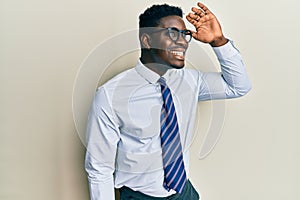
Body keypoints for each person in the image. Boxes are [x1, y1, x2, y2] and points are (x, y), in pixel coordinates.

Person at [85, 2, 251, 200]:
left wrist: (218, 41)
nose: (182, 41)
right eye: (172, 33)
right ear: (147, 40)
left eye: (184, 34)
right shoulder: (110, 95)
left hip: (184, 193)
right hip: (140, 197)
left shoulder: (191, 81)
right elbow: (99, 168)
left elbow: (238, 86)